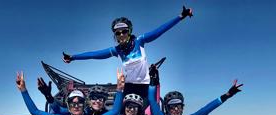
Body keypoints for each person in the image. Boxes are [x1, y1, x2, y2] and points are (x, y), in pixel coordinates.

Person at [62, 6, 193, 100]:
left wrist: (180, 17)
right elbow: (93, 54)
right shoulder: (117, 50)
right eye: (117, 33)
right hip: (129, 87)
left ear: (129, 31)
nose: (121, 35)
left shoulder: (140, 41)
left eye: (124, 31)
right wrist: (73, 57)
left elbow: (160, 30)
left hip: (146, 87)